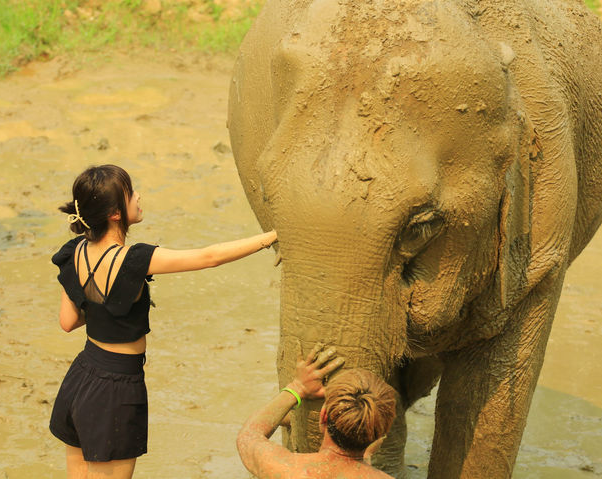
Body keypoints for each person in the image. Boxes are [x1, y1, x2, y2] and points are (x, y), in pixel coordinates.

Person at [50, 164, 277, 479]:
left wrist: (102, 304)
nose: (139, 196)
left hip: (81, 379)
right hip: (116, 389)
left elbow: (67, 321)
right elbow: (208, 257)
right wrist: (272, 237)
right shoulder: (134, 260)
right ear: (115, 213)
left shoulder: (72, 252)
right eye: (131, 193)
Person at [237, 344, 397, 479]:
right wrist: (365, 461)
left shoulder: (287, 469)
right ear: (381, 433)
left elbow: (249, 435)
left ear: (323, 416)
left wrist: (297, 388)